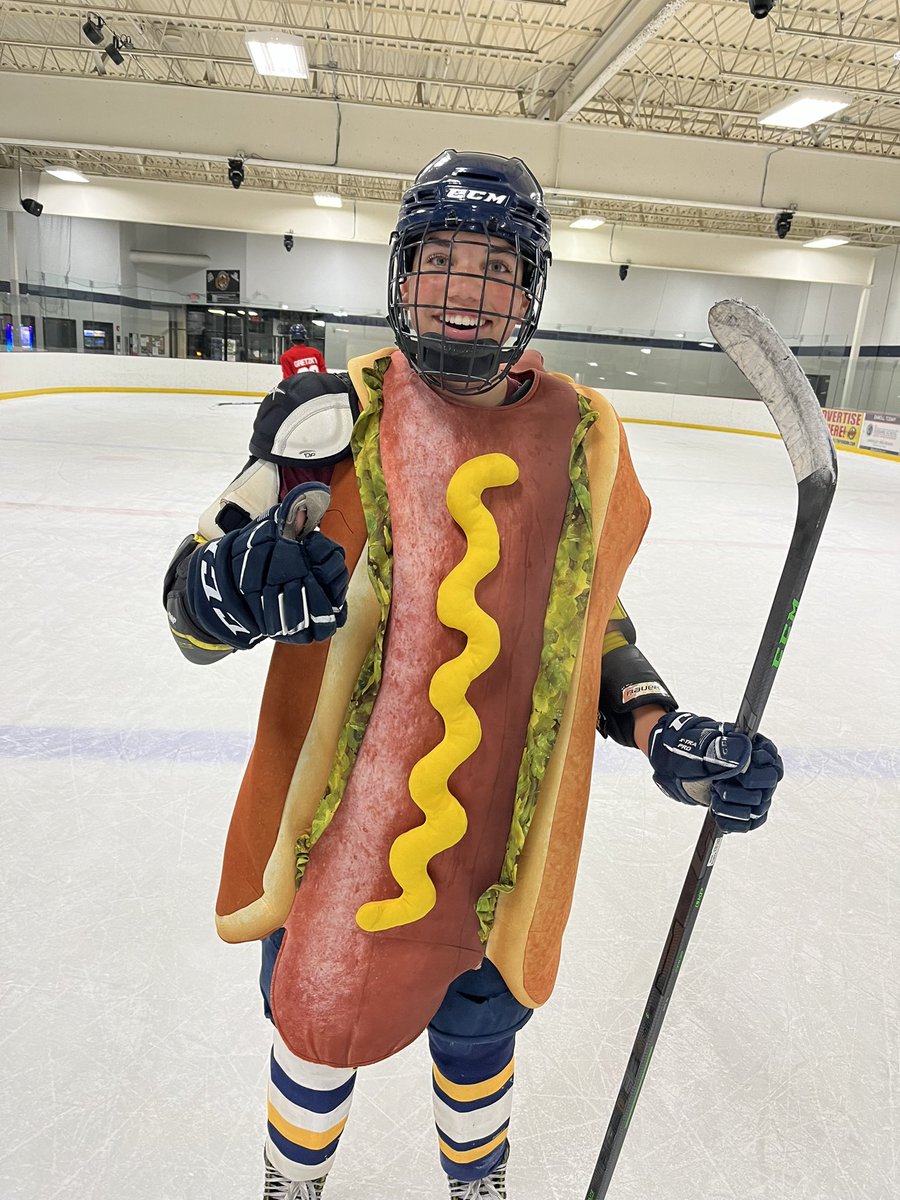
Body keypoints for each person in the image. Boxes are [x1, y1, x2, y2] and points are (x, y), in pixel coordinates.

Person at [163, 150, 783, 1200]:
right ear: (405, 272)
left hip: (499, 839)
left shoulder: (584, 438)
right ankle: (292, 1180)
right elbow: (191, 605)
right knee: (318, 1018)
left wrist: (655, 722)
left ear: (527, 290)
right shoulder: (329, 421)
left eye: (495, 267)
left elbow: (589, 619)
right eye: (442, 259)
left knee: (480, 1033)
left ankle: (476, 1181)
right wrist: (230, 590)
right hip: (341, 841)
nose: (465, 289)